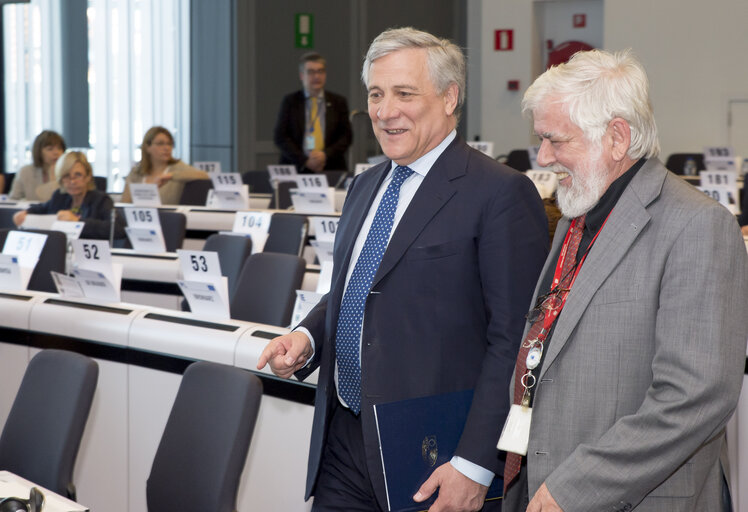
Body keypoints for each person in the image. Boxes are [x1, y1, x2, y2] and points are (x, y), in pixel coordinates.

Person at [258, 27, 548, 512]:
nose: (385, 111)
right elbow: (358, 290)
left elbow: (517, 342)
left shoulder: (499, 193)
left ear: (450, 96)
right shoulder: (363, 186)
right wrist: (308, 337)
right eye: (375, 94)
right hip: (344, 443)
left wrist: (475, 464)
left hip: (435, 458)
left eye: (404, 94)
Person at [501, 49, 748, 512]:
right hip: (538, 480)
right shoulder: (578, 213)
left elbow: (695, 396)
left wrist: (575, 487)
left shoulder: (697, 225)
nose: (543, 157)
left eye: (556, 140)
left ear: (617, 137)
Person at [13, 151, 125, 240]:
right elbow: (42, 208)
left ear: (88, 177)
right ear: (60, 179)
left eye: (78, 175)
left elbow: (118, 229)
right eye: (66, 176)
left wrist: (77, 221)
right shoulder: (60, 196)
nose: (72, 181)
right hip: (61, 253)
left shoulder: (101, 200)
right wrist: (25, 213)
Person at [273, 52, 353, 173]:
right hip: (297, 167)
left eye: (320, 71)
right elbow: (280, 137)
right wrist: (305, 160)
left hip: (331, 166)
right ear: (301, 75)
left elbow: (346, 137)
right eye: (311, 72)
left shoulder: (338, 102)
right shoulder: (291, 101)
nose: (316, 76)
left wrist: (324, 155)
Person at [121, 126, 209, 205]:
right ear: (147, 147)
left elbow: (206, 175)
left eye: (169, 144)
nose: (166, 148)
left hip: (167, 219)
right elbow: (124, 203)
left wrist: (171, 176)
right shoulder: (136, 172)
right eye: (160, 144)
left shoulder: (177, 167)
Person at [9, 130, 66, 201]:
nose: (56, 153)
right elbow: (14, 199)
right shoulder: (25, 171)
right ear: (39, 151)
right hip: (30, 211)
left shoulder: (67, 171)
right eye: (50, 149)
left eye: (59, 148)